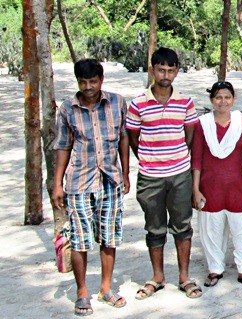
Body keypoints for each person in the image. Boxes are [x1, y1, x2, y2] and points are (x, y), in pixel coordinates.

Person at [51, 59, 130, 316]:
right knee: (80, 239)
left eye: (93, 81)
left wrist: (126, 173)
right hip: (79, 182)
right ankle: (82, 291)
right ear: (77, 82)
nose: (88, 87)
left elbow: (123, 139)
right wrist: (57, 184)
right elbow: (62, 146)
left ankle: (106, 288)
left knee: (109, 236)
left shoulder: (117, 102)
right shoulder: (67, 109)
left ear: (101, 80)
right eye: (83, 82)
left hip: (111, 180)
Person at [127, 47, 203, 299]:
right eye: (161, 69)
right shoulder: (138, 103)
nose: (166, 75)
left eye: (171, 70)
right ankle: (157, 276)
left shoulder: (186, 102)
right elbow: (134, 139)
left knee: (182, 226)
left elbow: (190, 136)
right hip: (149, 176)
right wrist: (151, 159)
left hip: (180, 173)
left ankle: (184, 277)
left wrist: (175, 156)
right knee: (154, 227)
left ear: (177, 71)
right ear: (152, 70)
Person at [191, 81, 242, 287]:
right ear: (212, 100)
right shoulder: (202, 124)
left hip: (239, 185)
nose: (223, 101)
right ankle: (215, 270)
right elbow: (196, 158)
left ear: (233, 99)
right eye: (218, 97)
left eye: (227, 97)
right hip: (210, 186)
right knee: (211, 229)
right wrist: (195, 189)